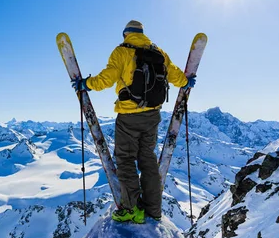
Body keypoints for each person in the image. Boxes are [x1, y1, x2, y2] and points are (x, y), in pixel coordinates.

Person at [71, 20, 195, 224]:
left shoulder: (121, 52)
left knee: (126, 159)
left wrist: (85, 84)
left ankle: (130, 208)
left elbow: (106, 79)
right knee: (147, 158)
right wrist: (187, 82)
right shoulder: (159, 53)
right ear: (142, 33)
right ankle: (154, 210)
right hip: (153, 115)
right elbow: (175, 76)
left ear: (126, 34)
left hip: (129, 115)